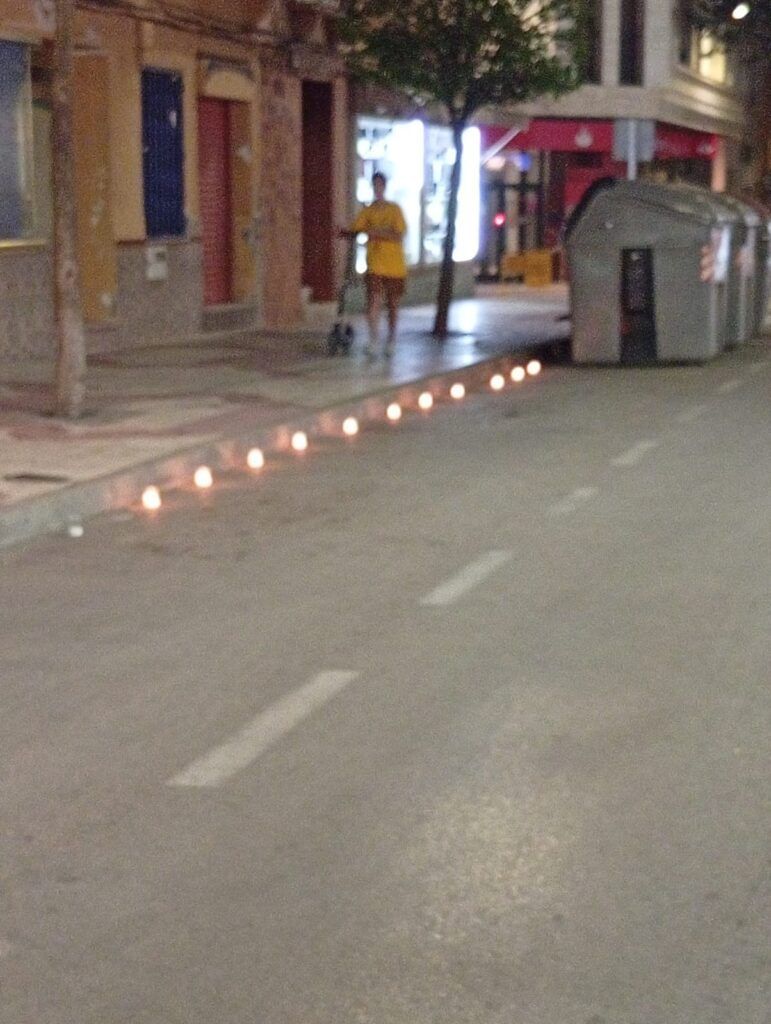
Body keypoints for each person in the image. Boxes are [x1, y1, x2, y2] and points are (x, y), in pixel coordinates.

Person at [341, 172, 407, 359]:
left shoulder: (394, 210)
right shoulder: (368, 211)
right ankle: (374, 339)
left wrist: (375, 233)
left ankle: (391, 339)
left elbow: (398, 235)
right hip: (375, 263)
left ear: (384, 187)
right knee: (373, 301)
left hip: (394, 266)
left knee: (392, 305)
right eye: (375, 185)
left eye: (380, 185)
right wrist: (344, 231)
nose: (377, 189)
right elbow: (355, 229)